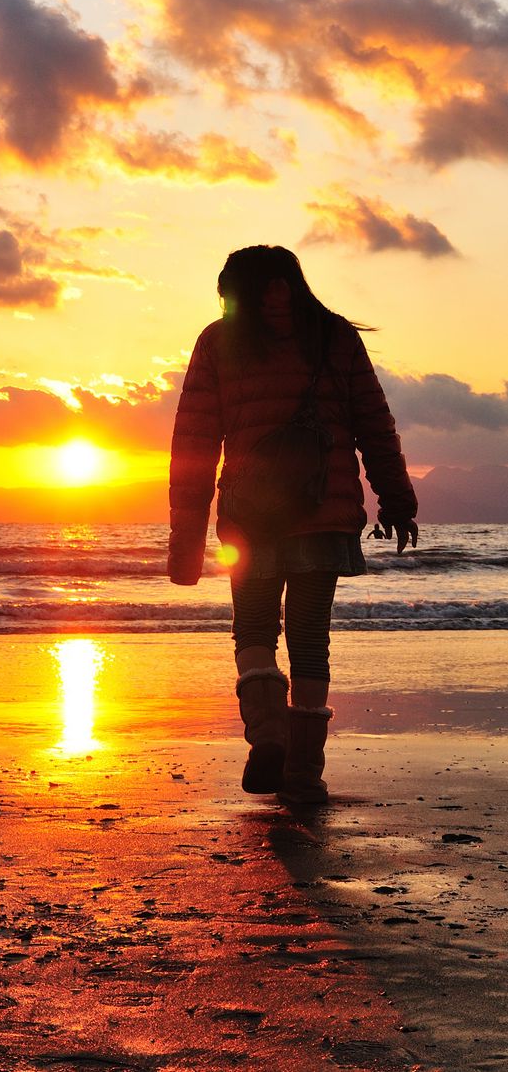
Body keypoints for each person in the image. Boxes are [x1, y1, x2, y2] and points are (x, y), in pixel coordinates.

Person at [168, 245, 418, 804]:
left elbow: (195, 440)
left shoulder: (219, 341)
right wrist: (396, 499)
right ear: (290, 284)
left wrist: (185, 538)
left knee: (254, 629)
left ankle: (269, 735)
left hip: (248, 515)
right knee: (310, 640)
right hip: (322, 514)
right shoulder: (334, 336)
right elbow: (375, 425)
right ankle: (303, 772)